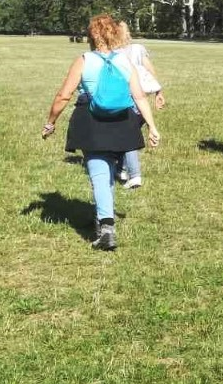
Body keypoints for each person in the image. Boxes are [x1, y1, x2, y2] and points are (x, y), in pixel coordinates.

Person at [43, 14, 161, 251]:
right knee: (107, 171)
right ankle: (102, 216)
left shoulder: (84, 60)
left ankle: (106, 227)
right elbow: (138, 96)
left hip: (91, 119)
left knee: (98, 171)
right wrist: (152, 126)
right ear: (115, 34)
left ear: (91, 36)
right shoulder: (125, 61)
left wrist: (51, 121)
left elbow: (64, 95)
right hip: (122, 121)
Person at [115, 21, 166, 189]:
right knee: (127, 133)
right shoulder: (138, 48)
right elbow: (150, 71)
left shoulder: (112, 53)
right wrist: (159, 92)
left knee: (127, 137)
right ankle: (121, 168)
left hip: (125, 100)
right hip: (142, 99)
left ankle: (134, 175)